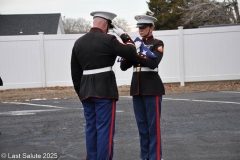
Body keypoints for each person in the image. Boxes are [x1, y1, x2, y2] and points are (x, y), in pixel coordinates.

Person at [70, 11, 137, 160]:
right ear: (106, 24)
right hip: (105, 91)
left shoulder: (79, 42)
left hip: (86, 92)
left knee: (91, 129)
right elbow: (132, 52)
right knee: (105, 130)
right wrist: (124, 35)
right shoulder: (109, 39)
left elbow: (75, 73)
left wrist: (81, 93)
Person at [120, 15, 165, 160]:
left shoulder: (157, 43)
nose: (140, 30)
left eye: (143, 28)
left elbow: (153, 64)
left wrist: (139, 52)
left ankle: (155, 157)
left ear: (151, 28)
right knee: (142, 127)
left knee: (153, 127)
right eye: (139, 28)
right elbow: (123, 66)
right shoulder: (135, 44)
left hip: (152, 88)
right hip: (137, 88)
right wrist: (130, 52)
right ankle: (145, 156)